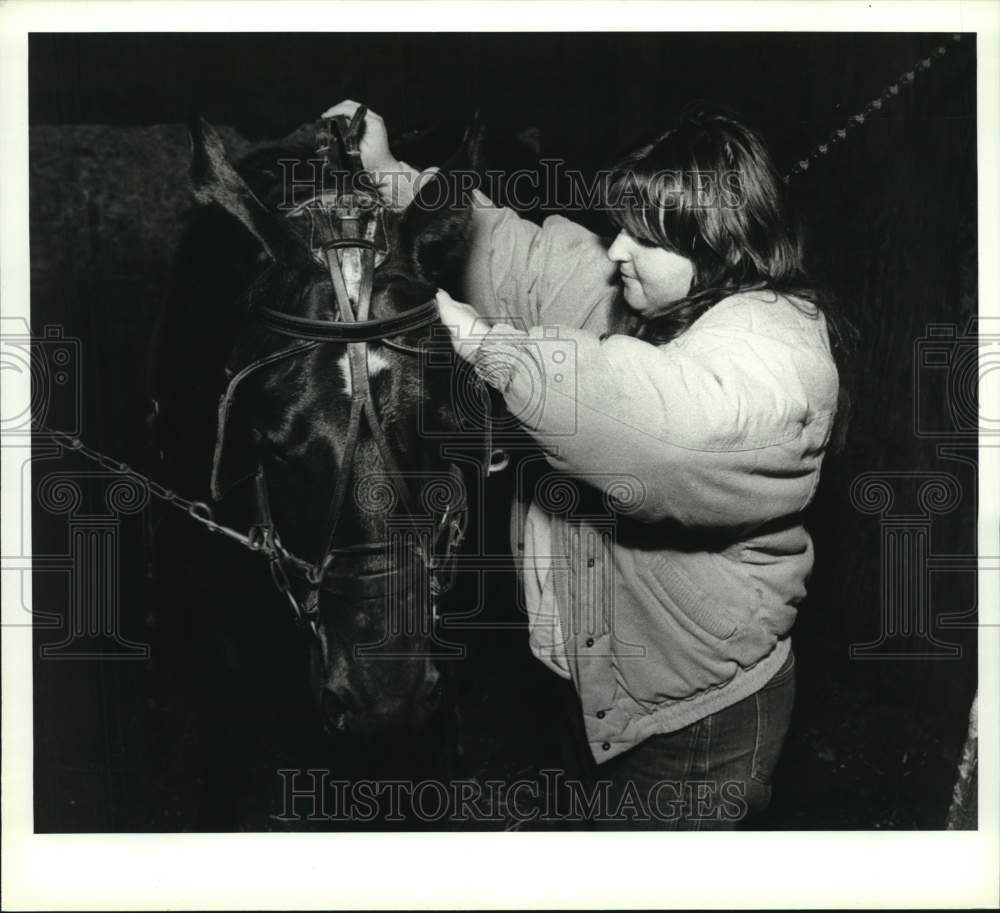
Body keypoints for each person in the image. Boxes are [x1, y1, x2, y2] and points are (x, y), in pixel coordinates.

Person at [323, 100, 848, 830]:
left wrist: (482, 341)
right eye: (623, 225)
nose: (617, 250)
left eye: (647, 236)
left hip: (694, 727)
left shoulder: (779, 359)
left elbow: (662, 431)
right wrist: (390, 177)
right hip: (594, 695)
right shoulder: (639, 299)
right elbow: (514, 252)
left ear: (719, 244)